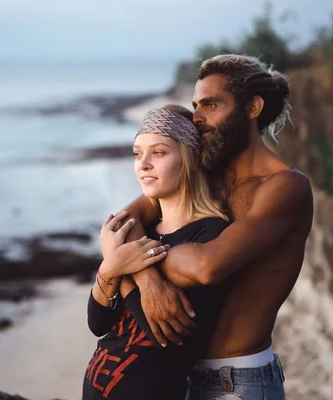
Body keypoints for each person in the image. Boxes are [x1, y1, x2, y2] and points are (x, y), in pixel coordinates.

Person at [118, 55, 314, 399]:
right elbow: (121, 226)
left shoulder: (284, 187)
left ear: (252, 107)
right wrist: (148, 282)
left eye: (211, 104)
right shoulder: (205, 177)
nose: (197, 117)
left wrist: (133, 263)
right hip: (180, 377)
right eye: (196, 105)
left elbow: (209, 267)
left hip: (239, 381)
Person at [83, 105, 232, 400]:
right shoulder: (144, 232)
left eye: (159, 153)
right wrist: (113, 268)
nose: (143, 164)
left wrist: (123, 266)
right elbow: (98, 323)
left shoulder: (210, 234)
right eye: (138, 153)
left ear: (190, 158)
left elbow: (169, 337)